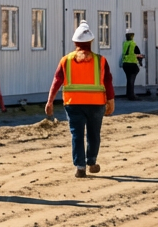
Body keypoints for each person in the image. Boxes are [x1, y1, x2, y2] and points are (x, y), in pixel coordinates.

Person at [45, 21, 116, 178]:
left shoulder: (66, 60)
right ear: (91, 42)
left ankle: (80, 167)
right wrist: (111, 101)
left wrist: (50, 101)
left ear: (75, 42)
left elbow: (56, 81)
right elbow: (108, 82)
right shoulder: (101, 60)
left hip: (73, 104)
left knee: (77, 134)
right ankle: (91, 161)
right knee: (93, 134)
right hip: (96, 104)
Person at [120, 28, 145, 100]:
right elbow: (137, 53)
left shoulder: (124, 43)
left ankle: (128, 94)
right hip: (132, 64)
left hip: (125, 64)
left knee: (128, 79)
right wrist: (141, 57)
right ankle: (132, 95)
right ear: (132, 36)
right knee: (131, 80)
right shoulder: (133, 44)